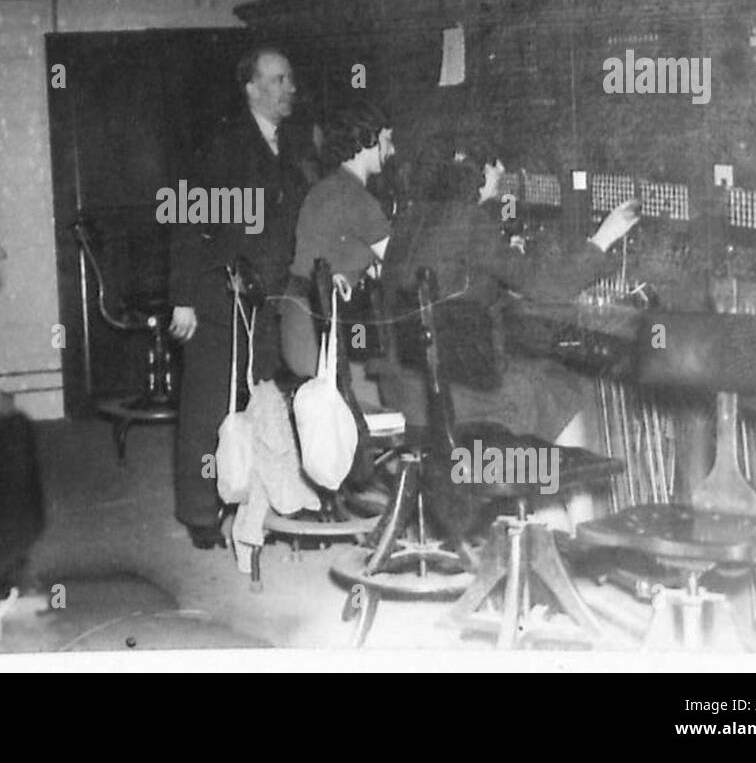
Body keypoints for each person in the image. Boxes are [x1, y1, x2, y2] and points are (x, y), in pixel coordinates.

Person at [381, 148, 641, 444]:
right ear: (472, 169)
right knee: (566, 388)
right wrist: (603, 238)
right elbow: (546, 287)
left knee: (536, 375)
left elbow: (452, 287)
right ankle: (569, 486)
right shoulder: (469, 220)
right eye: (494, 163)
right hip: (458, 399)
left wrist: (504, 272)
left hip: (407, 390)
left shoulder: (408, 219)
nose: (501, 169)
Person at [167, 45, 315, 548]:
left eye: (290, 78)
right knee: (208, 406)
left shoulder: (290, 145)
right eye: (276, 80)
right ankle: (199, 513)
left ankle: (262, 503)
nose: (288, 88)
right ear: (250, 88)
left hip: (269, 297)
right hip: (218, 292)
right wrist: (182, 296)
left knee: (264, 405)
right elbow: (186, 215)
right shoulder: (223, 143)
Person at [281, 100, 395, 378]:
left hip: (297, 330)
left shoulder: (323, 189)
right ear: (368, 139)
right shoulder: (357, 199)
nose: (393, 150)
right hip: (329, 344)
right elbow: (399, 261)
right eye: (387, 140)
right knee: (395, 375)